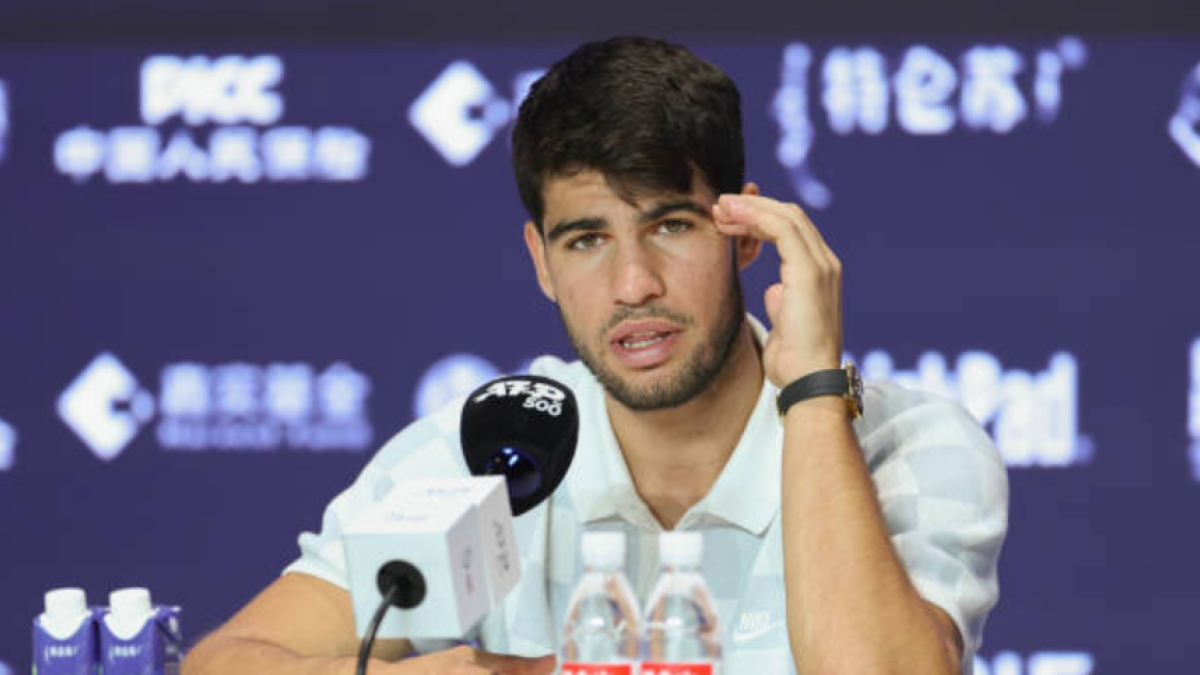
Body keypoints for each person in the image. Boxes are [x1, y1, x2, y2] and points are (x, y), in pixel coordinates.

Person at [182, 36, 1007, 675]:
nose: (633, 284)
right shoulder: (493, 448)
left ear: (745, 233)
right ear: (541, 262)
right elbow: (223, 661)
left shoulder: (912, 442)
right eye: (586, 240)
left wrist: (817, 391)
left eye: (670, 225)